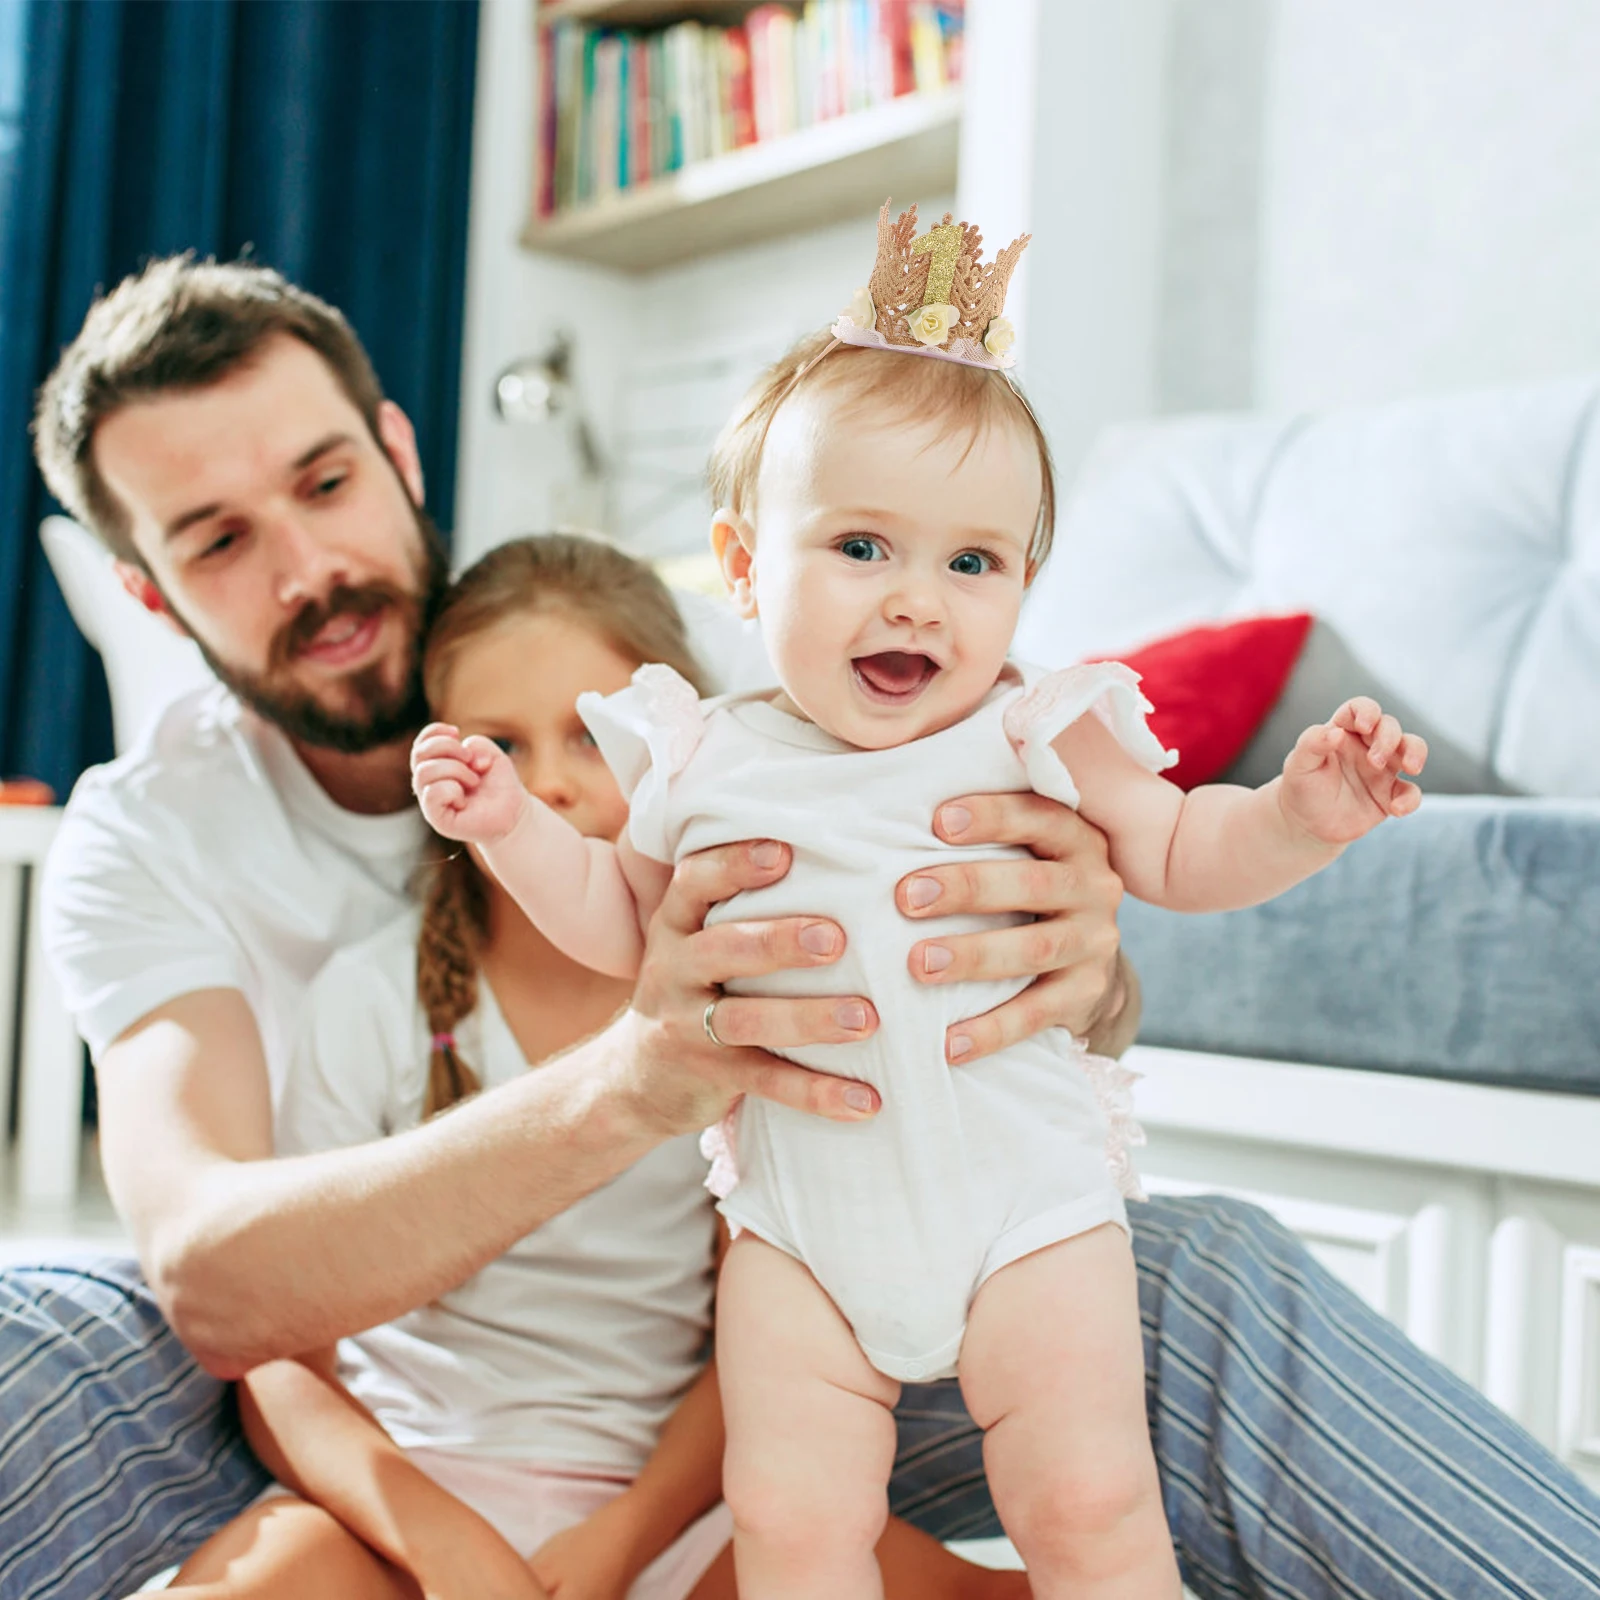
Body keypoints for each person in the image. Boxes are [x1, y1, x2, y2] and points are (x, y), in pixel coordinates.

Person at [4, 254, 1597, 1600]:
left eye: (326, 479)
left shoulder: (733, 652)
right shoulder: (150, 837)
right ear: (147, 593)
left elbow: (1062, 904)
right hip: (395, 1363)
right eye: (215, 539)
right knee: (59, 1332)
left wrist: (1084, 948)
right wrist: (634, 1077)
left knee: (1193, 1277)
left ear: (400, 451)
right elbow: (213, 1280)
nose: (309, 564)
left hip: (814, 1275)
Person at [410, 210, 1435, 1600]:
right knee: (789, 1522)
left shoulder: (1039, 729)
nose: (917, 604)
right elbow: (617, 926)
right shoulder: (704, 753)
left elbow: (1188, 851)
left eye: (973, 564)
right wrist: (511, 828)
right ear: (743, 561)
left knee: (1088, 1506)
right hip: (801, 1237)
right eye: (862, 547)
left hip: (1027, 1214)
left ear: (1021, 583)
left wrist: (1305, 817)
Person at [168, 533, 1023, 1600]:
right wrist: (446, 1547)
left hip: (674, 1511)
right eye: (501, 745)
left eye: (591, 737)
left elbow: (770, 1345)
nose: (552, 786)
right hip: (405, 1512)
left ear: (681, 750)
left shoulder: (755, 1000)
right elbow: (282, 1358)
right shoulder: (370, 993)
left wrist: (620, 1540)